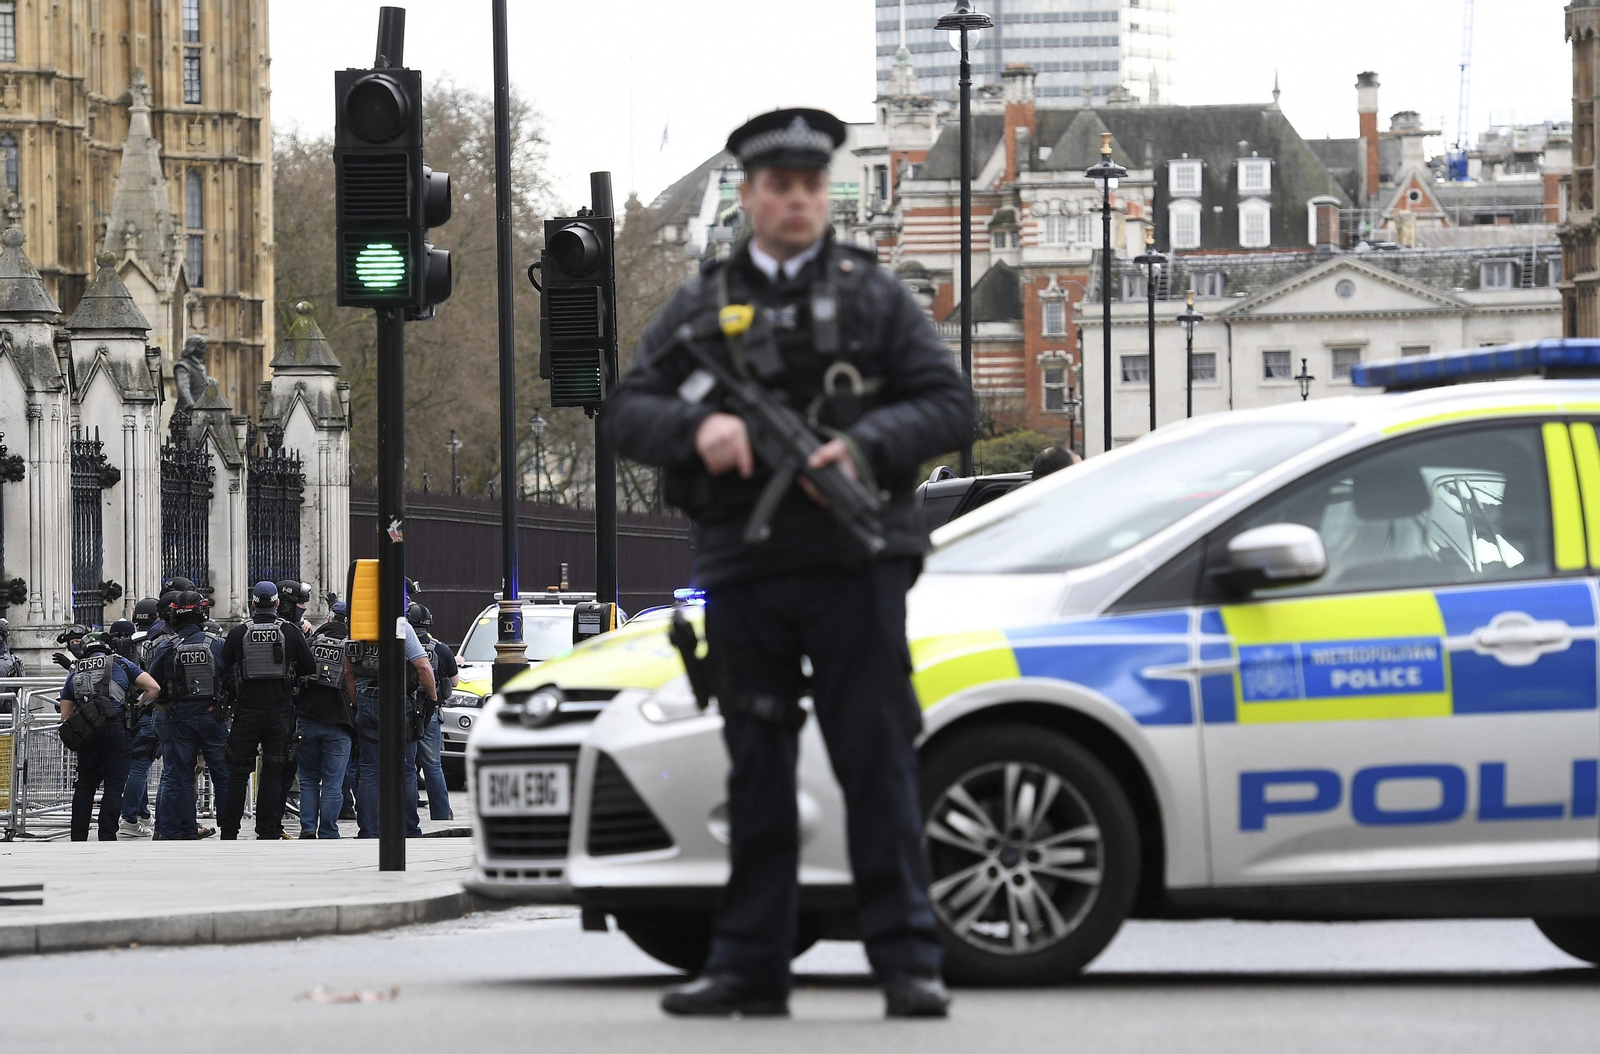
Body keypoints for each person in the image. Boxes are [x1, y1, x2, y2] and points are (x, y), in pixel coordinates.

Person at [605, 108, 974, 1018]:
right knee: (755, 769)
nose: (798, 202)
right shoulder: (701, 303)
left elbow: (950, 405)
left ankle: (907, 962)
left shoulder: (871, 295)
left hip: (856, 562)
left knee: (877, 759)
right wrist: (703, 427)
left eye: (812, 187)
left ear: (825, 196)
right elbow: (626, 415)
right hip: (746, 565)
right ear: (749, 196)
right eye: (781, 188)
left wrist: (864, 448)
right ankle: (750, 965)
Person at [218, 582, 313, 840]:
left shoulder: (238, 633)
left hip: (246, 710)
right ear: (278, 604)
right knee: (273, 769)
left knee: (237, 773)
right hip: (280, 712)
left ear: (252, 604)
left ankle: (229, 831)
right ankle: (268, 830)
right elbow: (309, 667)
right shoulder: (291, 632)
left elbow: (224, 666)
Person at [347, 601, 436, 838]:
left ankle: (368, 830)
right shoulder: (401, 627)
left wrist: (357, 704)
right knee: (406, 768)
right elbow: (423, 667)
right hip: (398, 701)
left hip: (367, 699)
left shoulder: (356, 628)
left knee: (369, 769)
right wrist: (432, 699)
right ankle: (408, 828)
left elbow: (348, 671)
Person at [59, 631, 158, 841]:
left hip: (88, 733)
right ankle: (106, 835)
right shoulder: (121, 664)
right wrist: (136, 710)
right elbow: (153, 688)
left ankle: (78, 837)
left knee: (85, 785)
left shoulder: (75, 669)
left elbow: (65, 715)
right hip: (117, 728)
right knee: (114, 786)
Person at [147, 591, 229, 840]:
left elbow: (153, 682)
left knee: (178, 774)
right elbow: (232, 678)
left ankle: (178, 829)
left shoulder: (167, 647)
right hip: (213, 718)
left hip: (178, 719)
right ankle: (231, 828)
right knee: (223, 773)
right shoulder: (217, 644)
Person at [297, 597, 356, 838]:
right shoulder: (353, 646)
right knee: (333, 781)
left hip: (307, 717)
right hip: (340, 722)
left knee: (309, 779)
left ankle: (308, 827)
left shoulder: (310, 642)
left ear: (329, 618)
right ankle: (329, 830)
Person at [408, 603, 456, 821]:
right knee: (433, 766)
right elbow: (454, 681)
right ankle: (441, 814)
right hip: (430, 711)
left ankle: (406, 815)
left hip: (404, 709)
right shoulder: (441, 648)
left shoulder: (402, 644)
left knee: (406, 766)